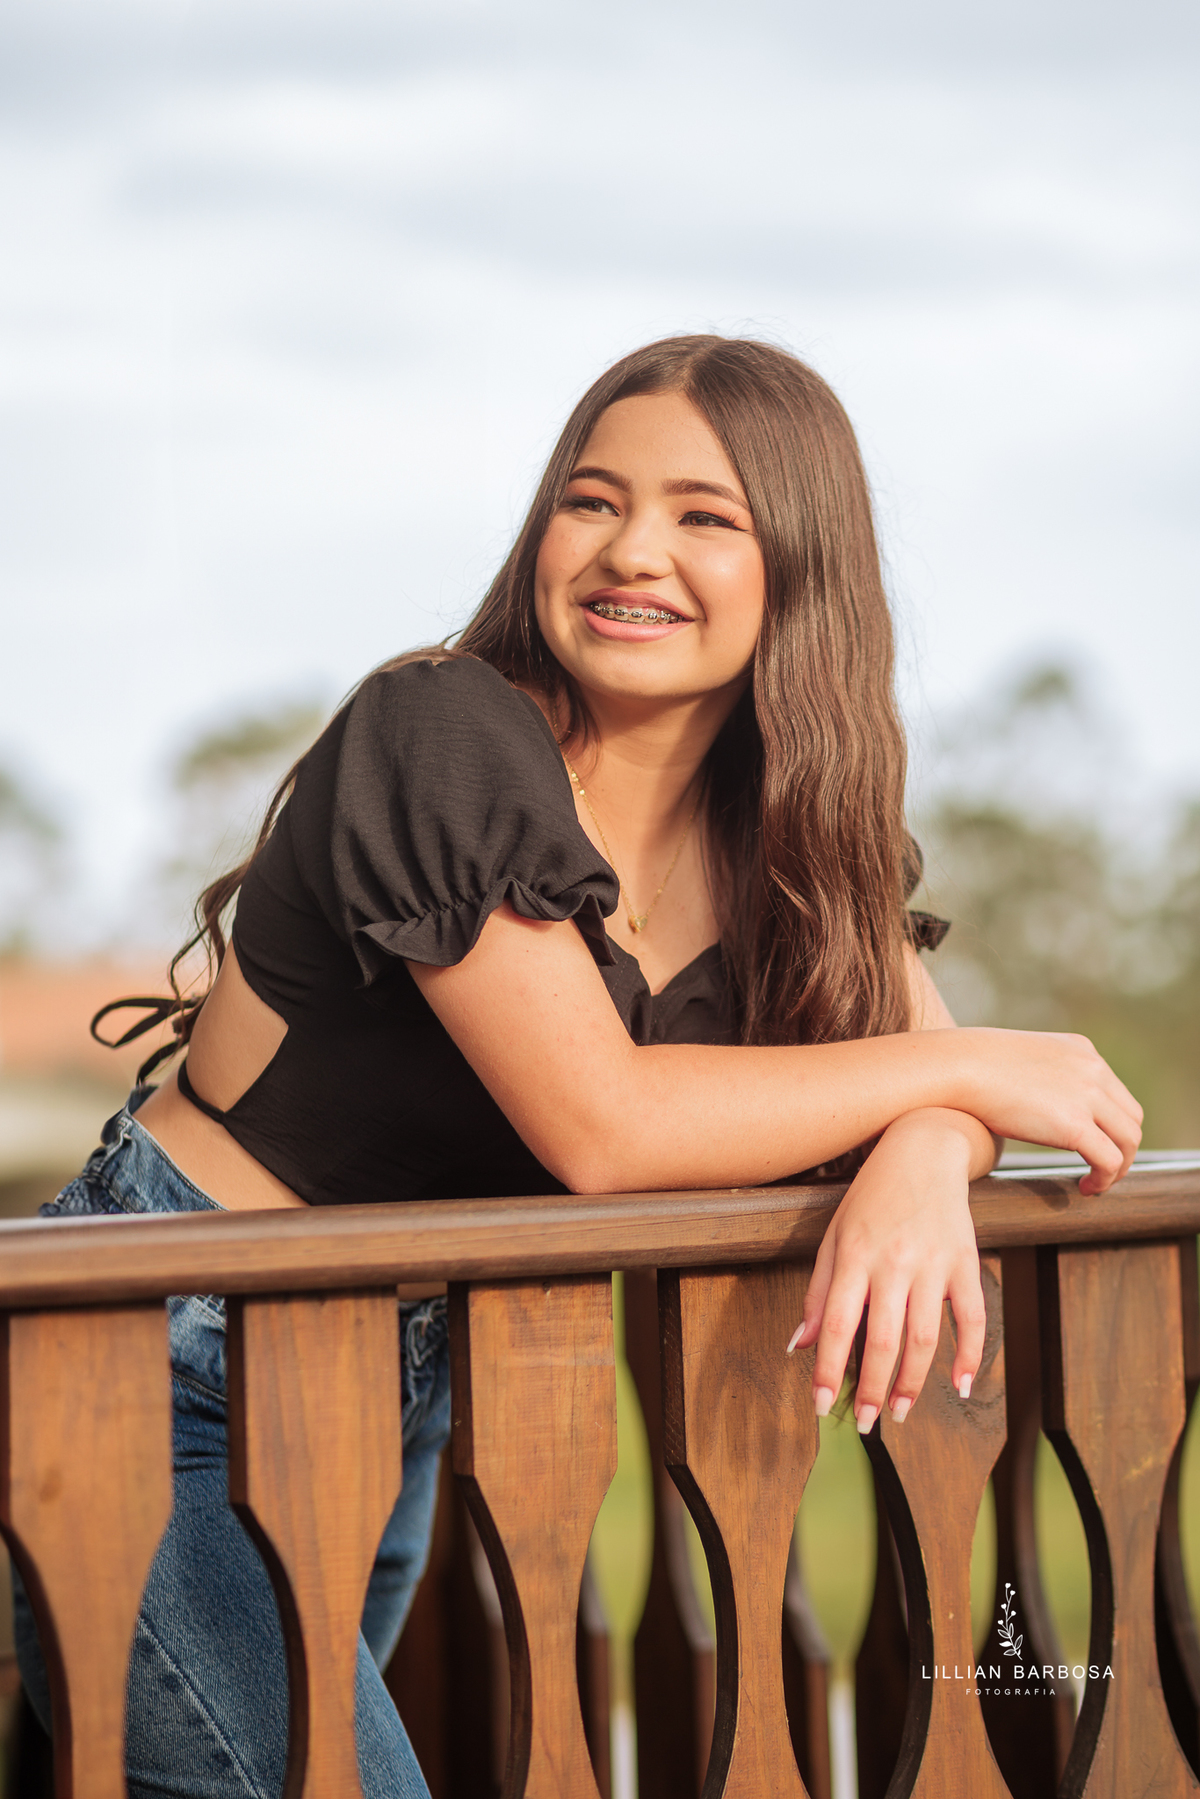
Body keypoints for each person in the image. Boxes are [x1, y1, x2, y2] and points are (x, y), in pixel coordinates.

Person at [14, 335, 1141, 1798]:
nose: (634, 551)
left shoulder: (786, 837)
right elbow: (602, 1127)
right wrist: (977, 1073)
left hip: (384, 1388)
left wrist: (931, 1144)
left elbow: (934, 1075)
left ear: (802, 565)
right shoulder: (441, 733)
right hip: (152, 1370)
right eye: (592, 500)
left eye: (704, 516)